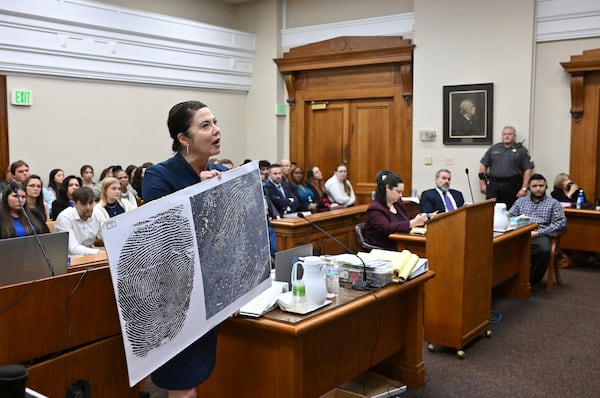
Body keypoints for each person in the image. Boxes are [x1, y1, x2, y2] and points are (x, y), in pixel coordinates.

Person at [142, 100, 227, 398]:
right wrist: (197, 192)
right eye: (205, 125)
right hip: (173, 298)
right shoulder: (158, 176)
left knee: (204, 375)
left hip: (209, 291)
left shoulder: (217, 171)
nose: (216, 130)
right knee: (182, 385)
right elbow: (161, 234)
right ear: (183, 138)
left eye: (215, 122)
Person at [509, 173, 567, 285]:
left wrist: (538, 233)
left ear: (546, 186)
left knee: (544, 250)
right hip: (520, 233)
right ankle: (508, 279)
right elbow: (510, 216)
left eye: (541, 185)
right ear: (529, 188)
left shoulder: (553, 203)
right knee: (502, 247)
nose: (538, 189)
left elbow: (560, 223)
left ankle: (529, 281)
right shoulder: (521, 201)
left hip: (541, 234)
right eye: (534, 186)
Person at [363, 170, 428, 250]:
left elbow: (405, 220)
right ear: (387, 188)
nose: (401, 195)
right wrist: (412, 223)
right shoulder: (375, 208)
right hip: (385, 247)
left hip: (401, 242)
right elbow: (386, 228)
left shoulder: (398, 203)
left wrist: (419, 221)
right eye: (398, 191)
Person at [479, 125, 534, 209]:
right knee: (491, 211)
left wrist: (524, 188)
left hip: (513, 186)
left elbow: (528, 170)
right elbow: (483, 166)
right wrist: (482, 184)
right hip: (494, 185)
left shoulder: (521, 150)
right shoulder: (493, 149)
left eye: (509, 134)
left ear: (514, 136)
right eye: (504, 134)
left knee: (512, 211)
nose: (507, 136)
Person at [55, 186, 104, 255]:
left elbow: (107, 236)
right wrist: (98, 252)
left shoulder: (97, 213)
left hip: (90, 251)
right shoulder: (64, 217)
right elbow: (73, 248)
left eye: (90, 203)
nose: (88, 207)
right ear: (74, 204)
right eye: (83, 204)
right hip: (67, 257)